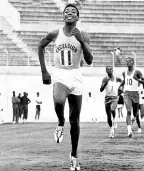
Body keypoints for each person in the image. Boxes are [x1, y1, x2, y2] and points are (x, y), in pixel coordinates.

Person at [38, 4, 93, 171]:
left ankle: (74, 156)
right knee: (59, 99)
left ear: (77, 17)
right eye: (66, 11)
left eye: (73, 12)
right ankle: (60, 121)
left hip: (76, 75)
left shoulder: (83, 34)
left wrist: (82, 42)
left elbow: (90, 61)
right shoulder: (55, 33)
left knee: (75, 121)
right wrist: (44, 72)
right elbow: (40, 46)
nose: (70, 13)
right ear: (63, 16)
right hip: (61, 73)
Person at [119, 56, 144, 137]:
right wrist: (120, 86)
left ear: (133, 62)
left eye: (130, 61)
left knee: (135, 113)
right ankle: (129, 130)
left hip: (135, 94)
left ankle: (134, 117)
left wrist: (137, 79)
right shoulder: (124, 72)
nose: (128, 62)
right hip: (127, 93)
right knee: (128, 111)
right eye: (127, 61)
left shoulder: (137, 72)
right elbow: (125, 80)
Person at [100, 65, 122, 138]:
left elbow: (122, 82)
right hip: (107, 98)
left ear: (112, 70)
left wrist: (121, 89)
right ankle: (111, 129)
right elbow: (101, 90)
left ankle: (115, 119)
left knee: (112, 109)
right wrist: (105, 84)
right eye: (108, 69)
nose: (109, 70)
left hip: (115, 97)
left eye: (110, 69)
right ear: (106, 71)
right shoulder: (105, 79)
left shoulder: (116, 78)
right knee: (108, 116)